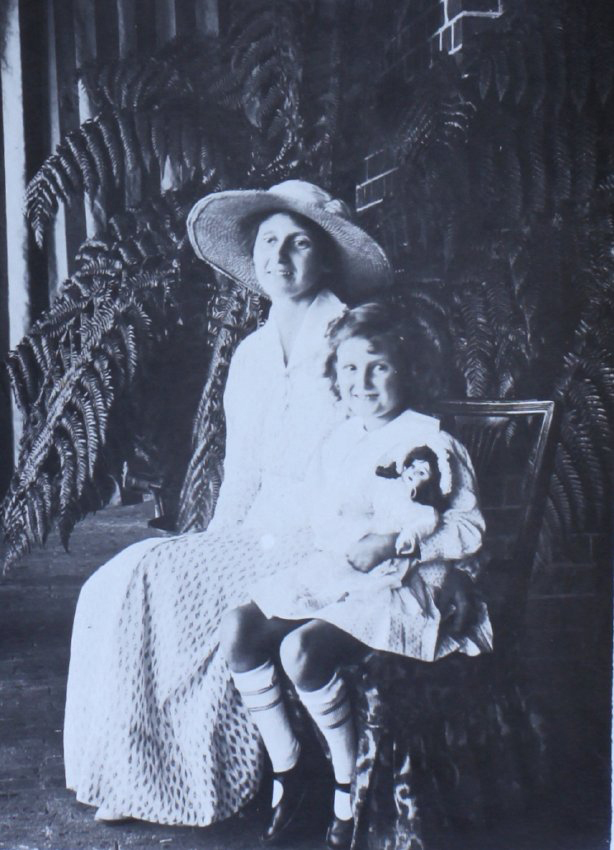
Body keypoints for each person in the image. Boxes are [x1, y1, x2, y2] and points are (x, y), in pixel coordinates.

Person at [63, 181, 391, 827]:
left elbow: (372, 456)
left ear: (324, 260)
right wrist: (211, 541)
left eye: (299, 244)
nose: (281, 256)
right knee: (122, 577)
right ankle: (130, 772)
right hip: (258, 530)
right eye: (269, 242)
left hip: (324, 535)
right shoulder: (252, 354)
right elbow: (241, 469)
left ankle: (202, 779)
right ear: (254, 256)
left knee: (156, 578)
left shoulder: (352, 343)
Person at [221, 303, 493, 849]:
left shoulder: (430, 443)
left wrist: (397, 541)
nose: (362, 383)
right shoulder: (340, 441)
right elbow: (320, 518)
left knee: (301, 651)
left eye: (378, 367)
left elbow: (469, 531)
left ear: (408, 370)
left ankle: (347, 790)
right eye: (349, 370)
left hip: (406, 586)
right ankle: (292, 774)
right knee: (240, 629)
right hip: (341, 573)